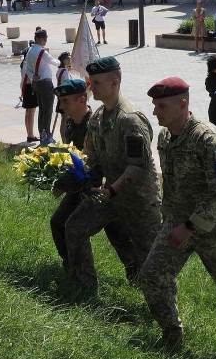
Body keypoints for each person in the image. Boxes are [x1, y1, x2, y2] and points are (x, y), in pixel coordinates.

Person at [140, 77, 216, 351]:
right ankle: (172, 335)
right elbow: (169, 184)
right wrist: (168, 218)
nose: (155, 112)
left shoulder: (207, 138)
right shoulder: (164, 137)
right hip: (177, 224)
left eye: (161, 106)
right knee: (152, 275)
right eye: (154, 105)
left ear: (183, 105)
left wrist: (190, 226)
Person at [67, 56, 163, 293]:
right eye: (91, 82)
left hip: (139, 201)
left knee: (151, 260)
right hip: (111, 195)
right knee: (75, 227)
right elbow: (89, 155)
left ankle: (161, 310)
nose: (91, 88)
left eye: (96, 83)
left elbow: (137, 166)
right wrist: (63, 171)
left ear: (114, 82)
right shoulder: (98, 118)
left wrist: (112, 190)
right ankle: (85, 288)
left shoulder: (130, 120)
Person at [49, 79, 137, 281]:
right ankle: (72, 268)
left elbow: (102, 162)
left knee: (118, 233)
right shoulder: (71, 122)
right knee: (60, 222)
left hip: (102, 187)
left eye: (65, 101)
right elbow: (76, 157)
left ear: (81, 100)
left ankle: (138, 275)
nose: (61, 107)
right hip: (81, 187)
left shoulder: (95, 124)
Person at [25, 29, 60, 145]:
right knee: (48, 110)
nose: (46, 41)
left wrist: (32, 76)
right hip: (45, 83)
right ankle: (46, 136)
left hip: (36, 83)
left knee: (42, 110)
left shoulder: (30, 50)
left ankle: (42, 134)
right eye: (45, 39)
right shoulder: (41, 51)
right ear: (39, 39)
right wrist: (65, 61)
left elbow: (26, 68)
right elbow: (55, 62)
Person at [55, 51, 73, 141]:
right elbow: (68, 84)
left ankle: (63, 138)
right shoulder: (64, 72)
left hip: (61, 97)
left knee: (64, 119)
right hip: (66, 98)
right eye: (68, 59)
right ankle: (64, 139)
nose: (70, 60)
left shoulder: (60, 70)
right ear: (63, 60)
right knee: (65, 119)